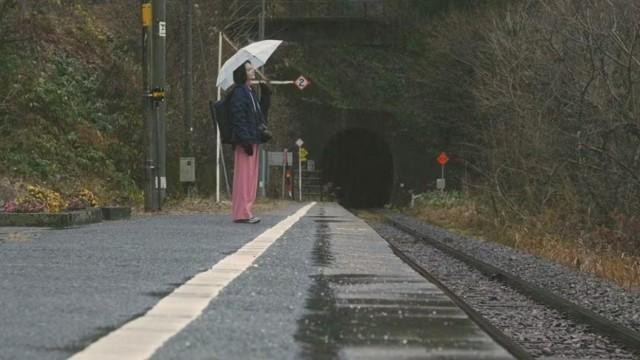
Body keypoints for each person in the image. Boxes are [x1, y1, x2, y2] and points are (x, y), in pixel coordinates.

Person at [228, 61, 271, 224]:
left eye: (252, 68)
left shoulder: (250, 91)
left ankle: (247, 211)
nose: (253, 71)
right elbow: (238, 117)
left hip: (253, 139)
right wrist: (244, 139)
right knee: (243, 178)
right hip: (244, 141)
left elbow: (260, 117)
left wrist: (266, 96)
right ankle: (241, 213)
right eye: (248, 69)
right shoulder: (239, 92)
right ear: (241, 73)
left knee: (251, 178)